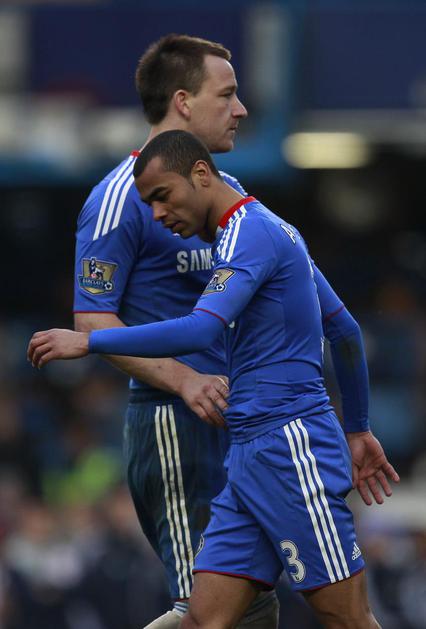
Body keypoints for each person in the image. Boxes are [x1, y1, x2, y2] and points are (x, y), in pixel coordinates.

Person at [28, 130, 400, 629]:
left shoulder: (253, 234)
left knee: (347, 618)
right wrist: (357, 428)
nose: (157, 215)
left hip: (291, 447)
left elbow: (202, 328)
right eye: (149, 203)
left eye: (164, 196)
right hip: (248, 454)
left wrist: (91, 342)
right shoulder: (260, 233)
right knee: (203, 620)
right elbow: (345, 330)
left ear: (201, 174)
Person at [71, 35, 279, 628]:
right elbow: (91, 319)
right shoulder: (120, 197)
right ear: (183, 102)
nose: (240, 109)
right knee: (206, 611)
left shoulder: (225, 192)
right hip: (174, 423)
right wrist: (186, 380)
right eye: (227, 95)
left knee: (254, 604)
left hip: (239, 423)